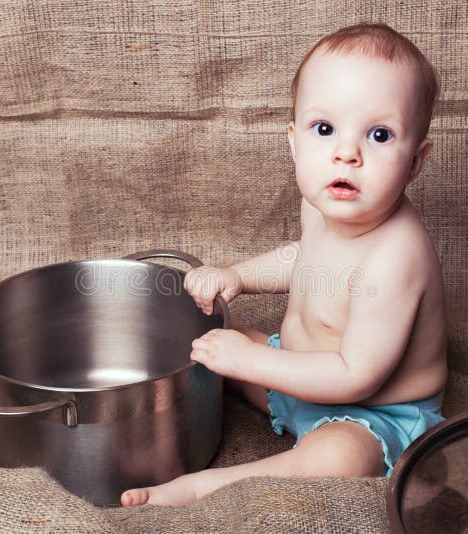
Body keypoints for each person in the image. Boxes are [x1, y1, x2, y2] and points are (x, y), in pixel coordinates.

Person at [121, 22, 447, 507]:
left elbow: (356, 374)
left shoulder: (396, 256)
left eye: (379, 135)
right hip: (295, 374)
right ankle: (136, 396)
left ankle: (201, 489)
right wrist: (239, 276)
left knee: (334, 459)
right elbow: (302, 260)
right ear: (293, 140)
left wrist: (253, 361)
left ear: (416, 161)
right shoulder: (321, 204)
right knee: (209, 346)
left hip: (371, 411)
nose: (346, 153)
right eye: (324, 129)